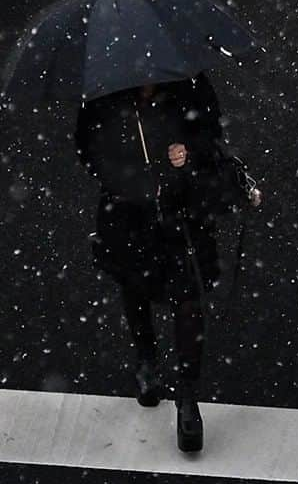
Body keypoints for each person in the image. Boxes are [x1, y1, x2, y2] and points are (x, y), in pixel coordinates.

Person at [75, 74, 245, 453]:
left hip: (183, 214)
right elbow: (88, 150)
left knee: (188, 299)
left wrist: (188, 153)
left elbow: (211, 136)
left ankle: (187, 397)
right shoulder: (104, 97)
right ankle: (146, 358)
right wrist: (127, 171)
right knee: (134, 289)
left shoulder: (191, 86)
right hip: (128, 214)